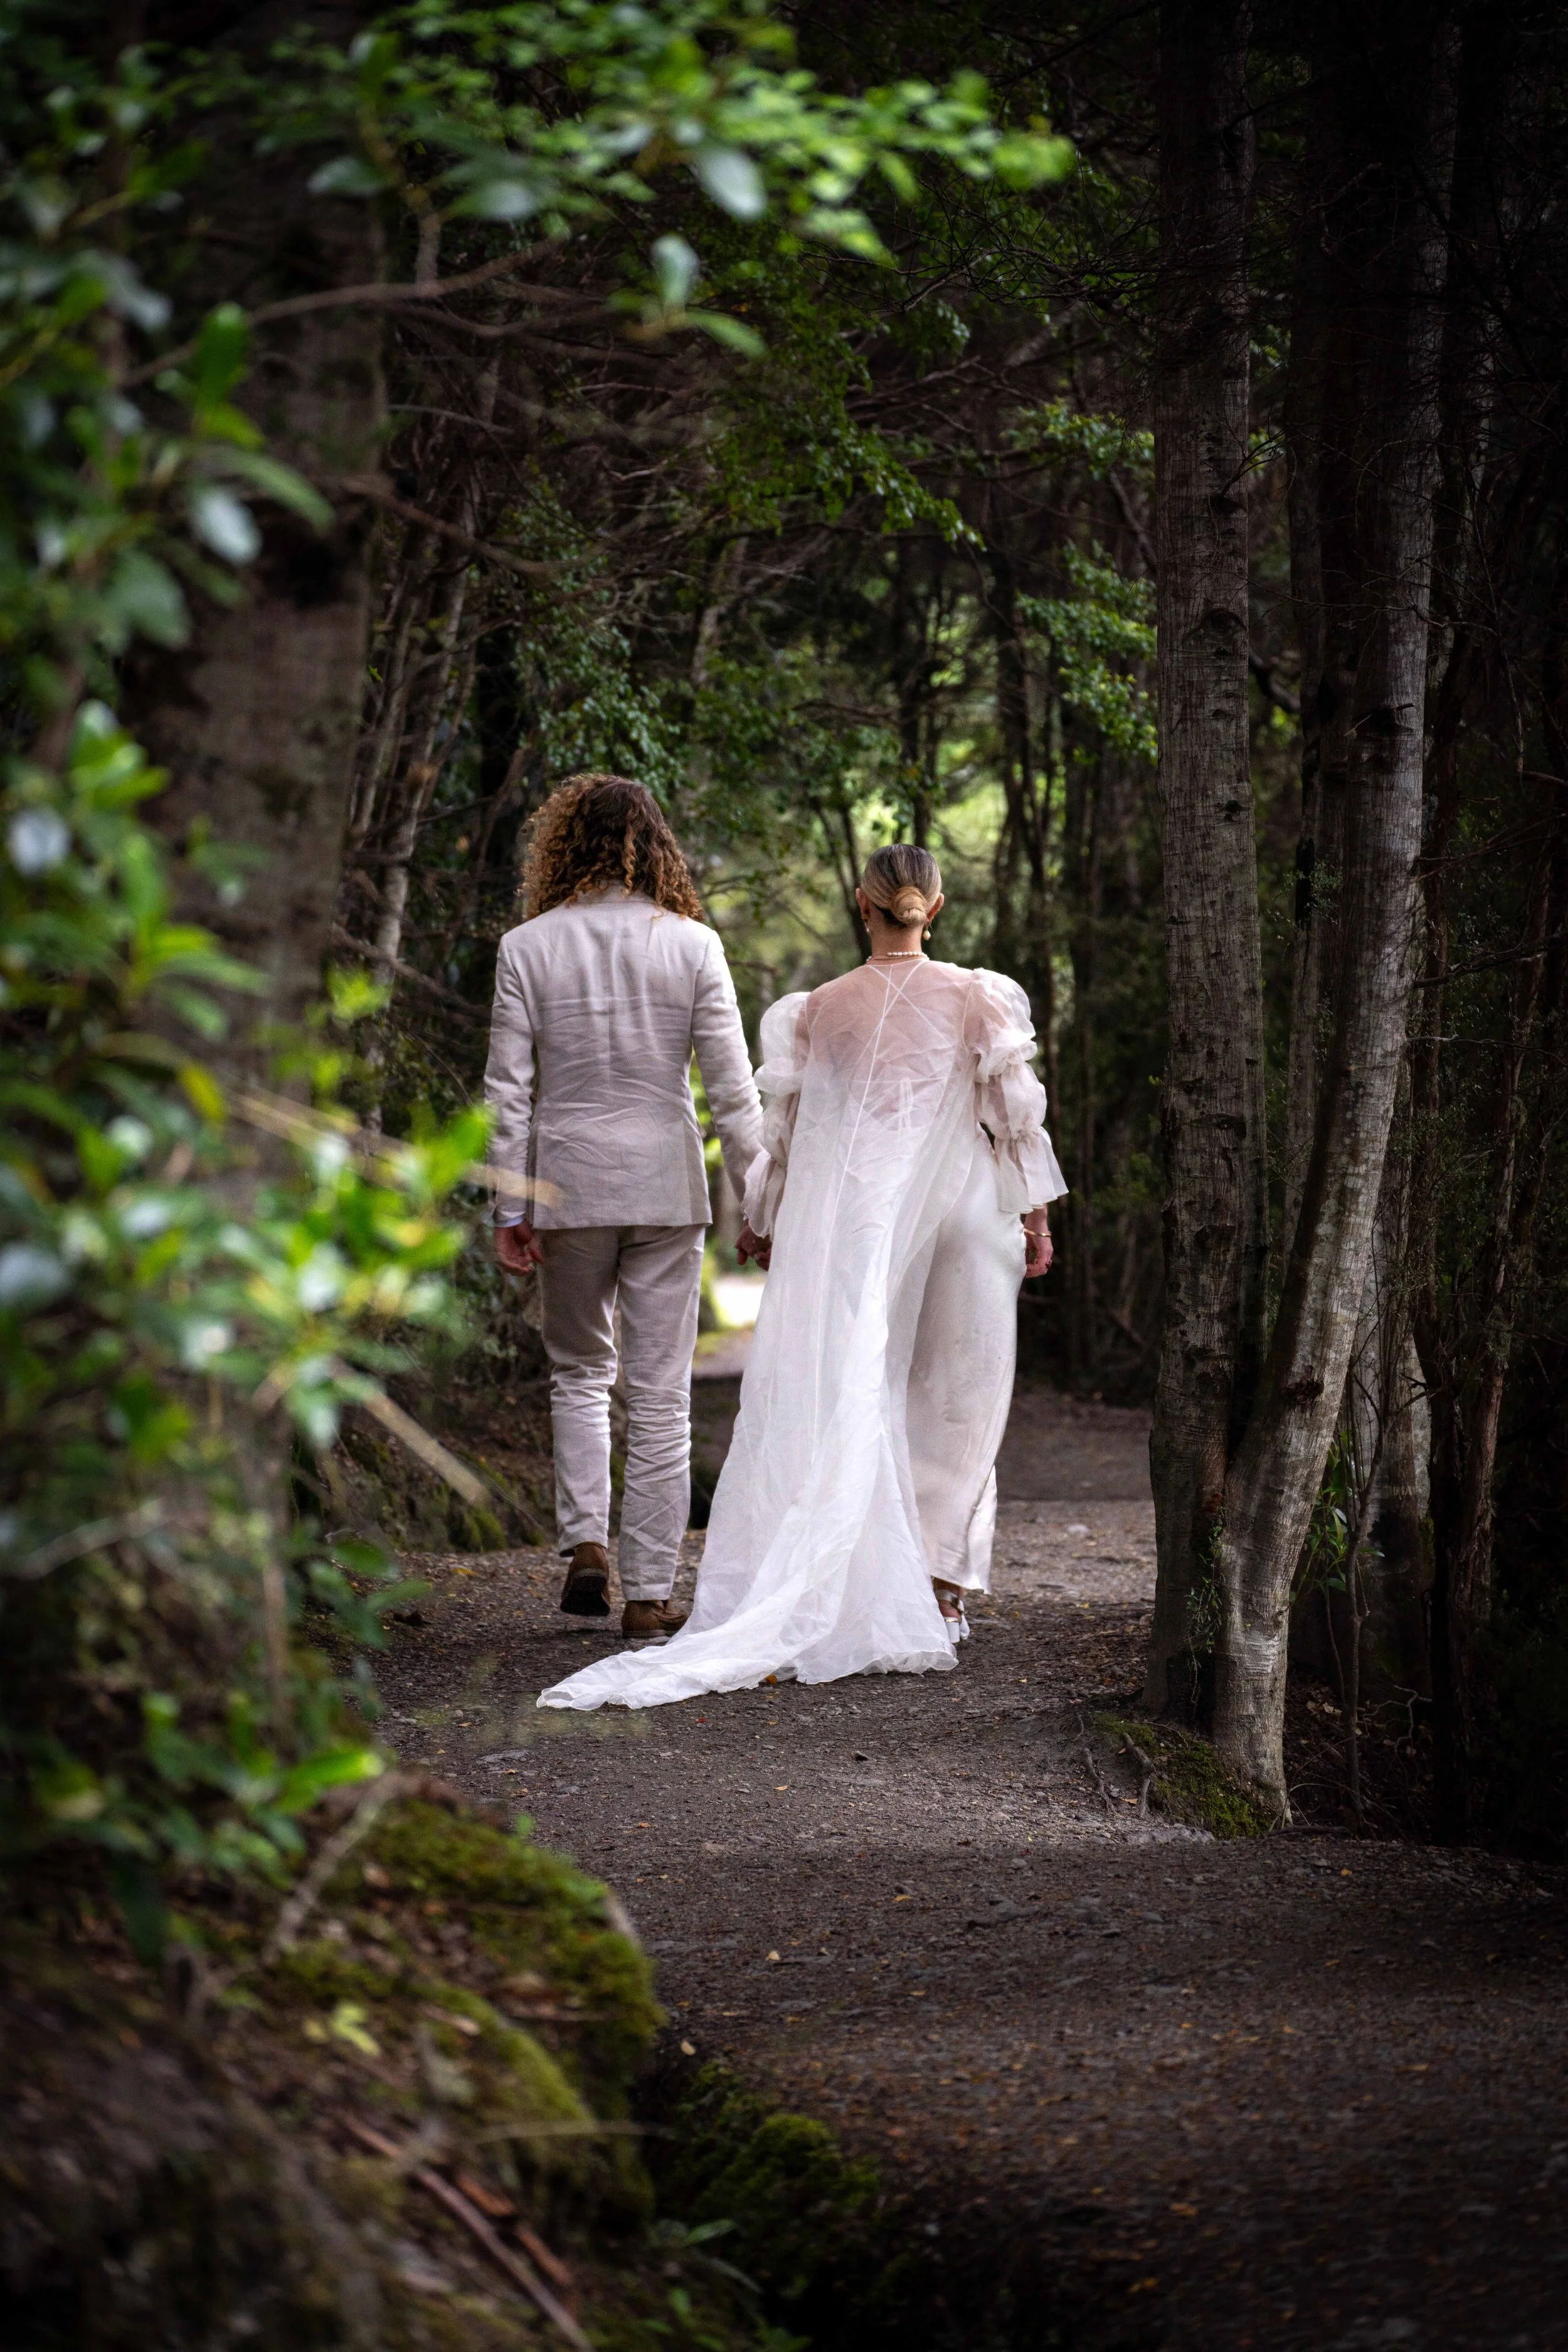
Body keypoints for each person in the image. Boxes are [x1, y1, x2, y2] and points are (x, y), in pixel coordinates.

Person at [538, 842, 1067, 1711]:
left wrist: (762, 1218)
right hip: (961, 1226)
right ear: (933, 909)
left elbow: (791, 1133)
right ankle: (940, 1587)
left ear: (864, 903)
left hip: (858, 1229)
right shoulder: (980, 997)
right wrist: (1036, 1216)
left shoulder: (819, 1010)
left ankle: (878, 1579)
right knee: (955, 1398)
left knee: (861, 1389)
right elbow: (1012, 1117)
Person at [485, 773, 761, 1637]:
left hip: (565, 1184)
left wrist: (505, 1203)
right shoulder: (693, 946)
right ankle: (648, 1592)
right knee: (660, 1392)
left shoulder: (527, 947)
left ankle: (584, 1547)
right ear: (657, 846)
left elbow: (507, 1093)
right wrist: (761, 1199)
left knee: (578, 1372)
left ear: (564, 844)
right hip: (664, 1188)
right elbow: (732, 1093)